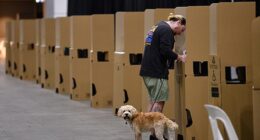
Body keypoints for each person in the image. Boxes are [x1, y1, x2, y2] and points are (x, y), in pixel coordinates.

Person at [139, 13, 187, 140]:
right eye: (181, 30)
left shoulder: (157, 26)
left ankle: (153, 134)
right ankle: (155, 136)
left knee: (153, 101)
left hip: (148, 71)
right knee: (158, 104)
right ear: (178, 22)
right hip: (157, 73)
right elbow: (165, 50)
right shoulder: (166, 31)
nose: (180, 34)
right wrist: (179, 57)